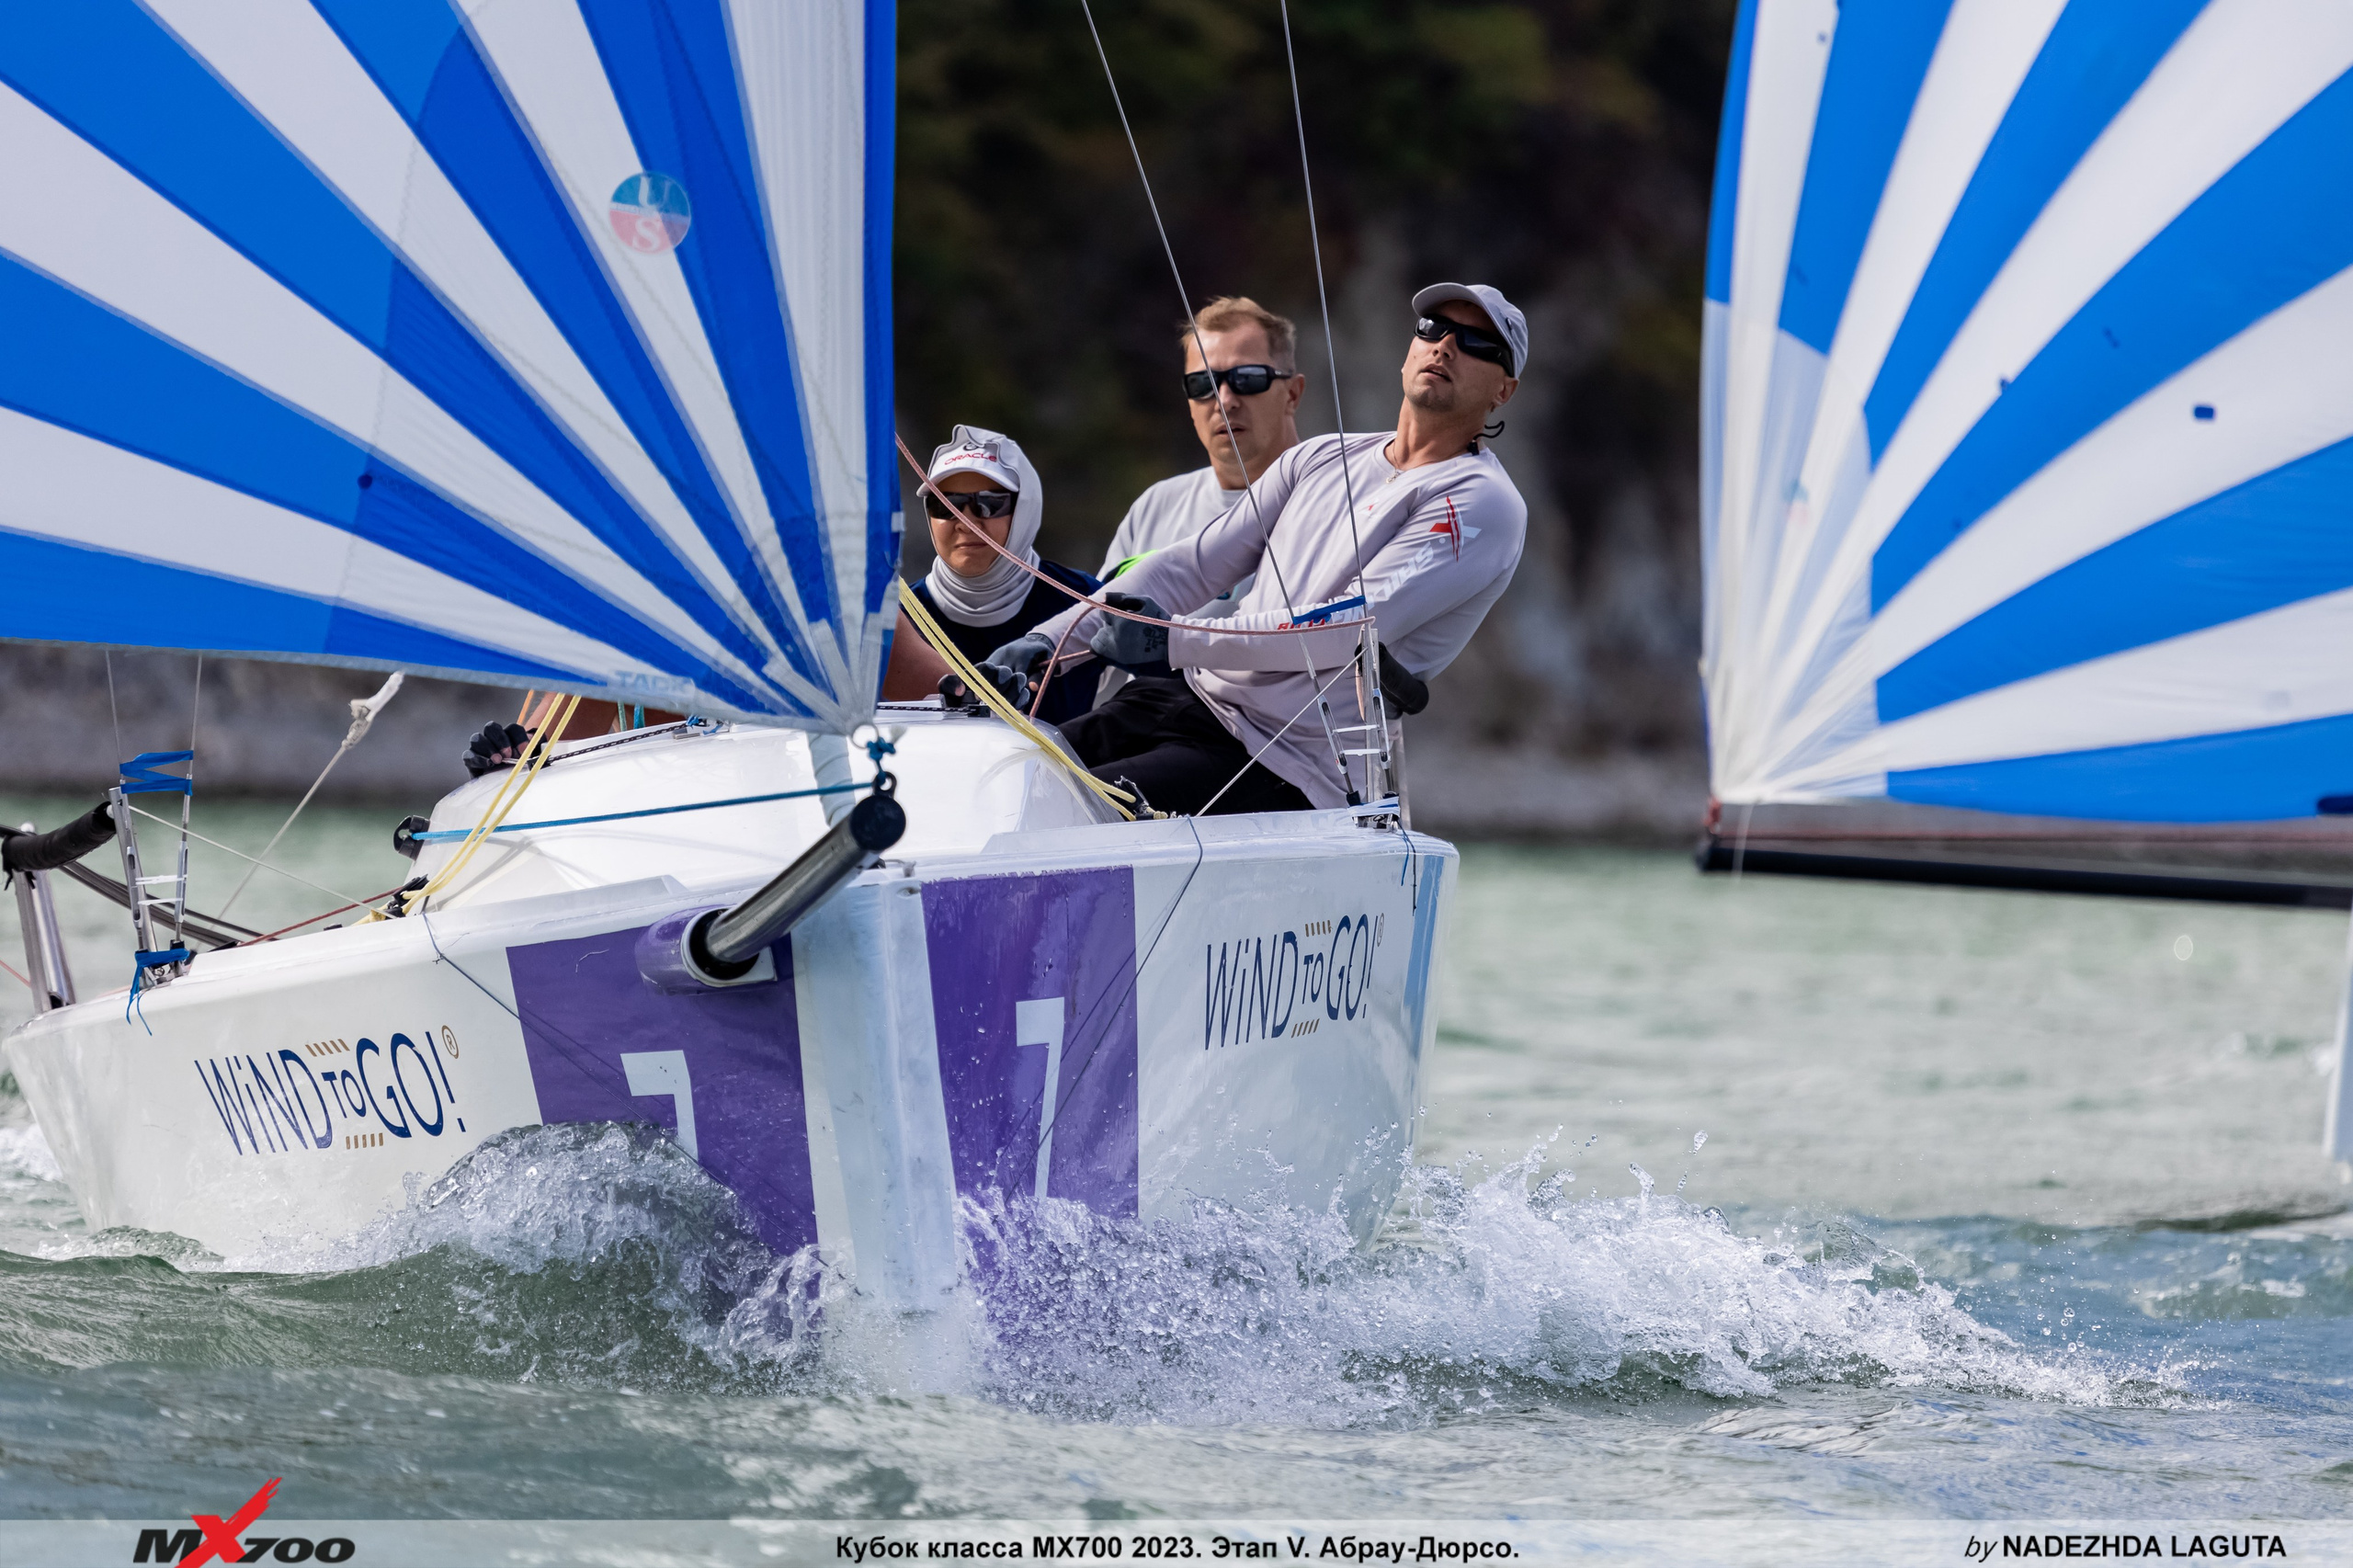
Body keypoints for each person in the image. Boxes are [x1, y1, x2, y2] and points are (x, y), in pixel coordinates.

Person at [988, 283, 1530, 815]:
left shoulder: (1482, 502)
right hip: (1190, 700)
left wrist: (1172, 639)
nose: (1446, 346)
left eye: (1477, 343)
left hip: (1287, 760)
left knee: (1055, 807)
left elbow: (1348, 627)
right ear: (1410, 350)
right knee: (1004, 779)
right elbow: (1193, 566)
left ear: (1504, 390)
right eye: (1434, 328)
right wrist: (1044, 640)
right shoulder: (1320, 455)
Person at [1093, 298, 1302, 701]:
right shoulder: (1155, 506)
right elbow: (1093, 645)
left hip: (1275, 730)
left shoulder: (1334, 502)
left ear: (1292, 394)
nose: (1224, 400)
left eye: (1248, 379)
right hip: (1145, 722)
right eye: (1203, 384)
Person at [910, 425, 1102, 723]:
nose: (965, 522)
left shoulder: (1083, 599)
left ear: (1025, 509)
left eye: (989, 503)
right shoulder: (899, 616)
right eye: (945, 505)